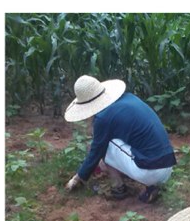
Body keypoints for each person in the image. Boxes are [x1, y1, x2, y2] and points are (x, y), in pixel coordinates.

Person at [64, 75, 176, 203]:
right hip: (167, 165)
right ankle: (151, 186)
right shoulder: (129, 98)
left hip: (150, 170)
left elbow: (96, 151)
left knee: (105, 146)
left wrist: (78, 177)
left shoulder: (103, 118)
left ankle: (119, 188)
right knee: (116, 143)